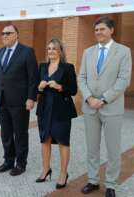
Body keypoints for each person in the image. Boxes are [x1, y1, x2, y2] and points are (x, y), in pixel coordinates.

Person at [78, 16, 132, 197]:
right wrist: (89, 98)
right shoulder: (88, 52)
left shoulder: (123, 52)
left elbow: (124, 80)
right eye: (96, 30)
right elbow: (82, 78)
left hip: (112, 108)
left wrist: (104, 99)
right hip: (90, 108)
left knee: (113, 148)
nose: (98, 33)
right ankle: (93, 180)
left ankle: (111, 184)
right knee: (92, 147)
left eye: (102, 29)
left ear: (111, 30)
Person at [0, 24, 38, 176]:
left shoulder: (27, 52)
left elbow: (33, 78)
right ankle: (8, 160)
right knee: (6, 132)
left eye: (8, 33)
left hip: (20, 101)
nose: (4, 35)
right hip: (2, 100)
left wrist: (31, 98)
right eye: (3, 33)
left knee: (20, 133)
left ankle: (21, 163)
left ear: (16, 34)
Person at [35, 38, 77, 189]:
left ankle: (63, 173)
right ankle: (46, 170)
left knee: (63, 142)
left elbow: (73, 90)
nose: (50, 51)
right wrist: (39, 87)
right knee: (45, 140)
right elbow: (35, 89)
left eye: (53, 48)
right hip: (44, 109)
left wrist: (59, 86)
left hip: (61, 110)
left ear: (60, 51)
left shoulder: (67, 67)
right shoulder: (42, 67)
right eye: (48, 48)